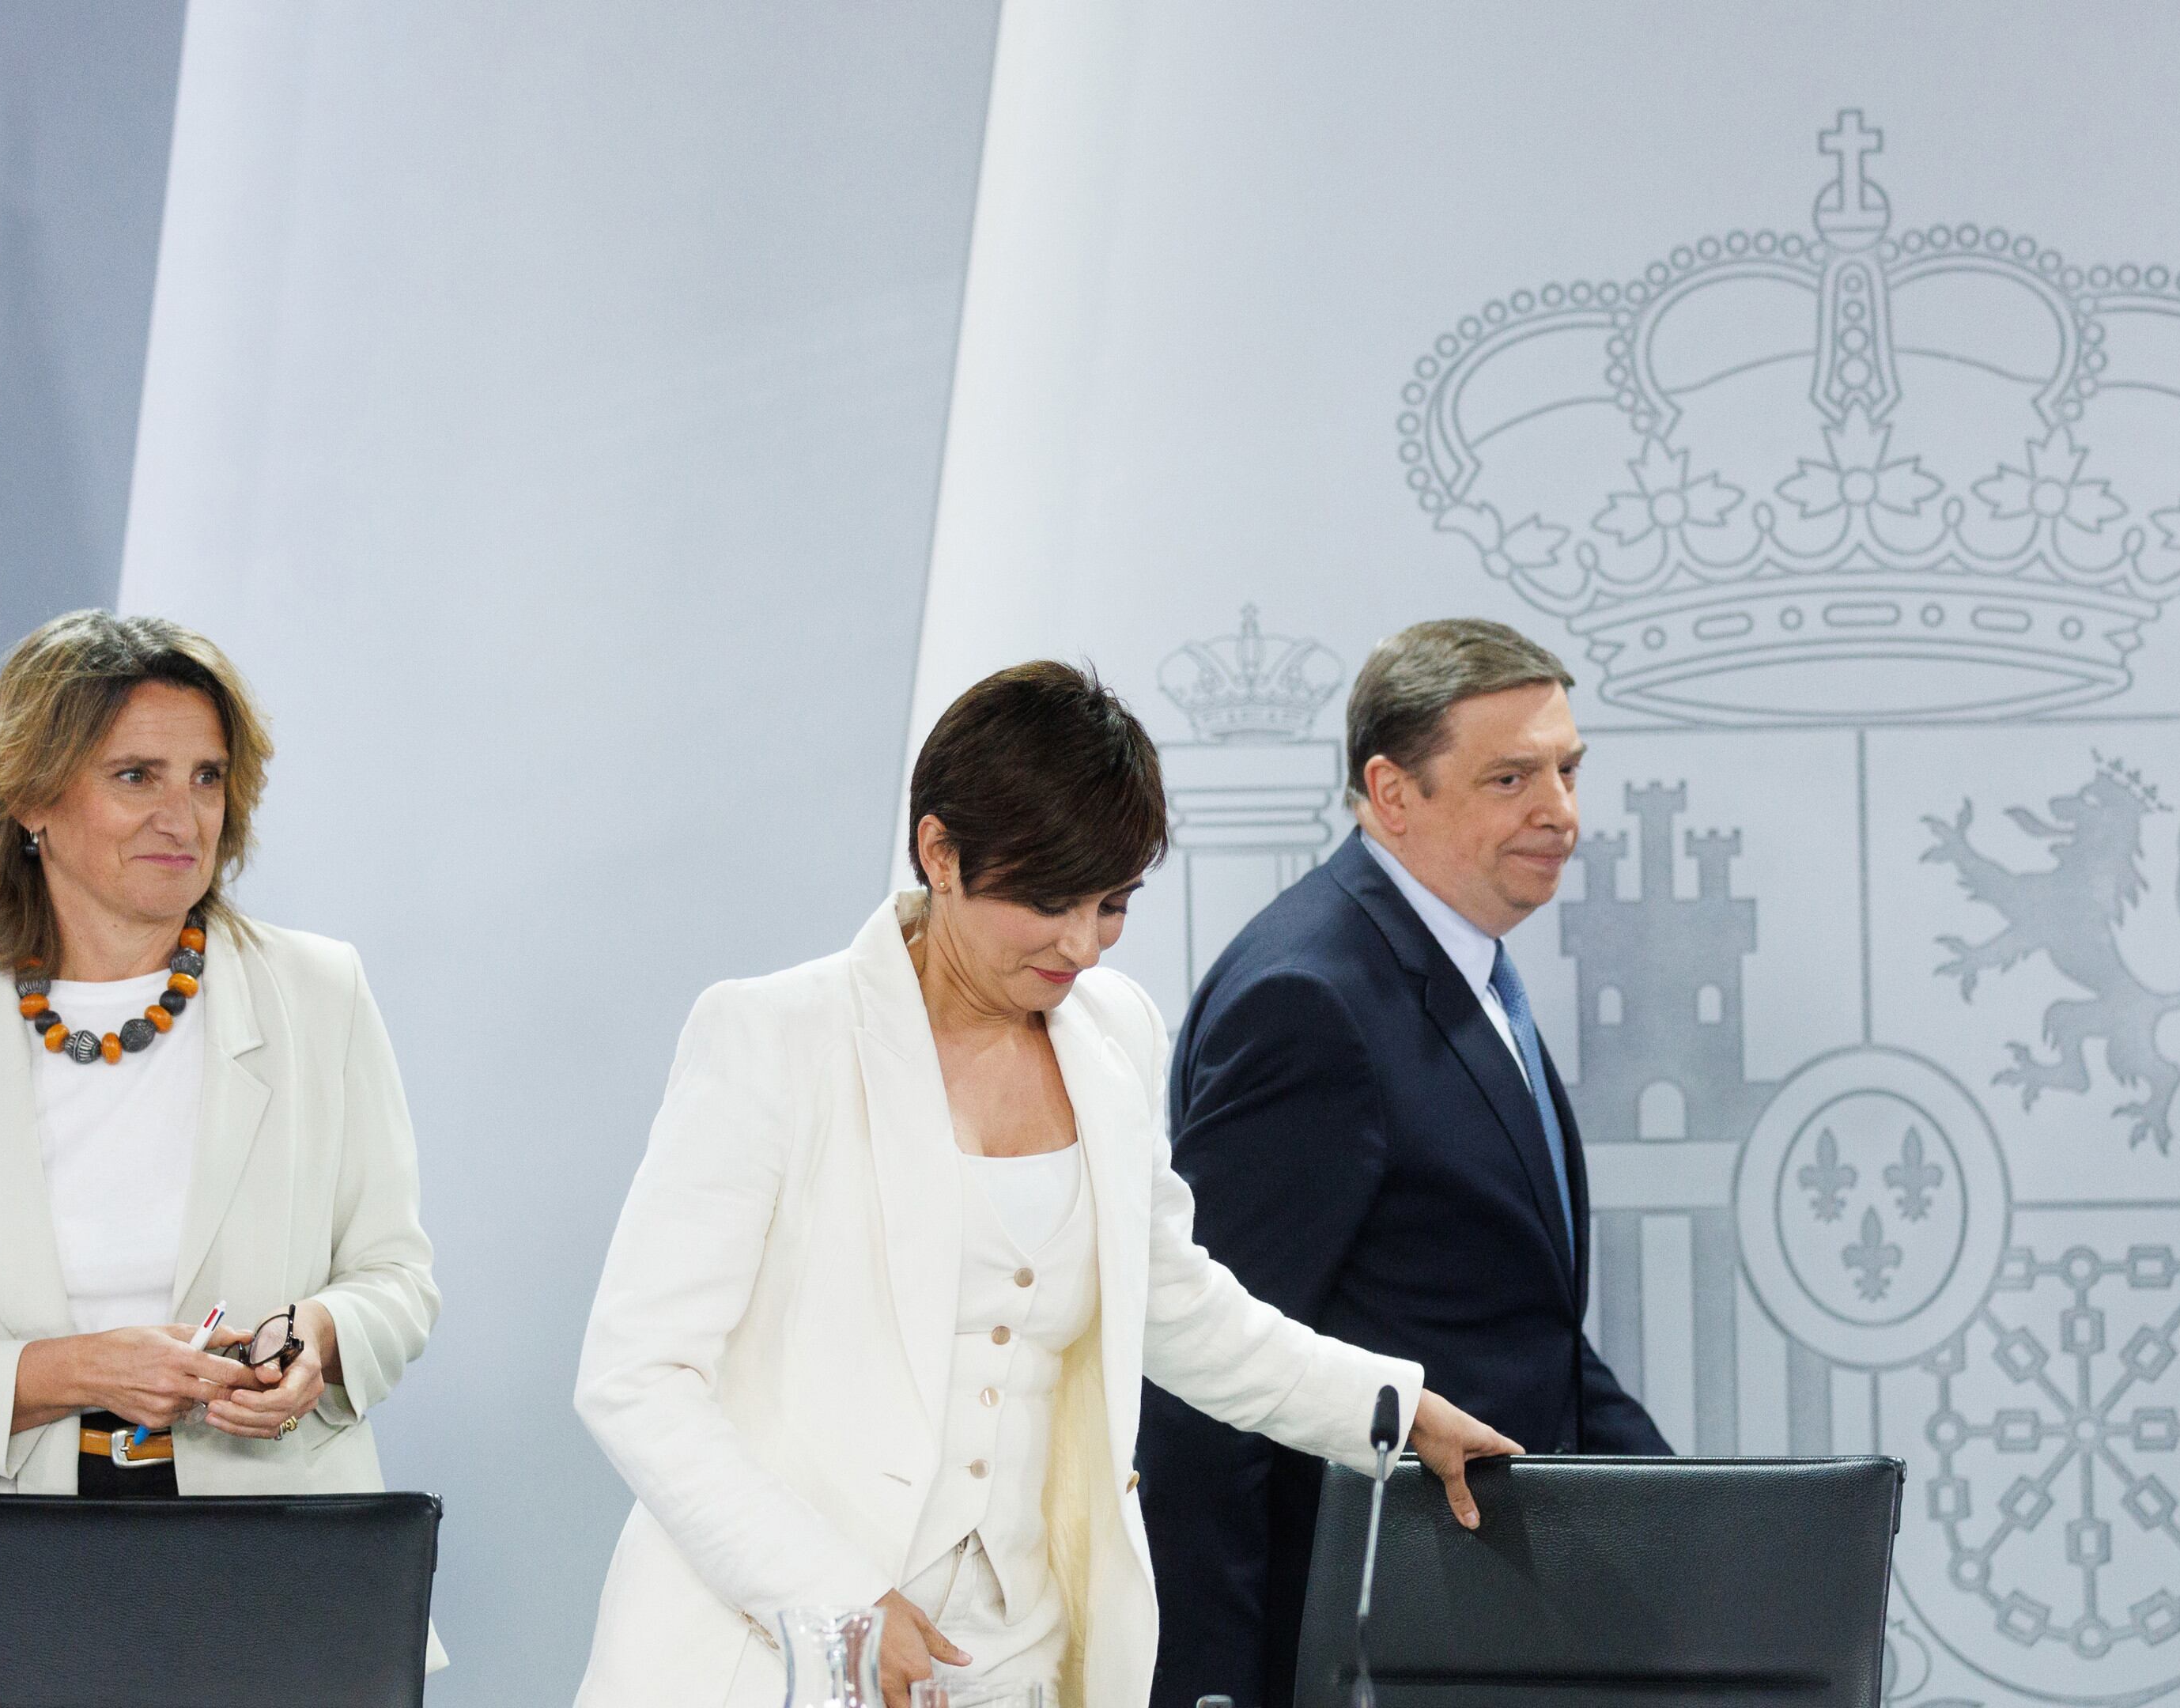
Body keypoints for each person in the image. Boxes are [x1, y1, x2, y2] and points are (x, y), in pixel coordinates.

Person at [571, 661, 1521, 1708]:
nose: (1082, 945)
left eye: (1112, 904)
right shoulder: (774, 1038)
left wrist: (1394, 1409)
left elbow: (1175, 1303)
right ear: (941, 852)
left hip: (1019, 1653)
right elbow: (637, 1377)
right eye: (1046, 900)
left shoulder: (1113, 1034)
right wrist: (838, 1604)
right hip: (772, 1655)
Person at [1137, 618, 1674, 1708]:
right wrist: (1215, 1689)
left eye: (1569, 771)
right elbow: (1203, 1385)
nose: (1559, 812)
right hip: (1365, 1642)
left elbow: (1519, 1325)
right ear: (1391, 792)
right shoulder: (1309, 1000)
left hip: (1482, 1630)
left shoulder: (1458, 963)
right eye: (1511, 778)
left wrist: (1709, 1529)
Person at [0, 610, 439, 1515]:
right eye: (136, 775)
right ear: (31, 798)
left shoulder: (319, 993)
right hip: (7, 1556)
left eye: (207, 777)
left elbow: (397, 1280)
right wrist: (81, 1371)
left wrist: (318, 1335)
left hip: (273, 1541)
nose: (181, 818)